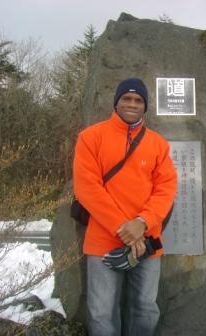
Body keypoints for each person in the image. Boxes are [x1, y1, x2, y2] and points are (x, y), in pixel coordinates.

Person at [73, 78, 177, 335]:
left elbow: (166, 189)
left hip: (146, 240)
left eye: (138, 100)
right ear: (116, 102)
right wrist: (124, 227)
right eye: (126, 99)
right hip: (104, 239)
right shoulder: (90, 137)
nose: (132, 104)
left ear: (145, 106)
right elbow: (87, 188)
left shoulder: (158, 144)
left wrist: (141, 223)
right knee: (101, 312)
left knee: (145, 307)